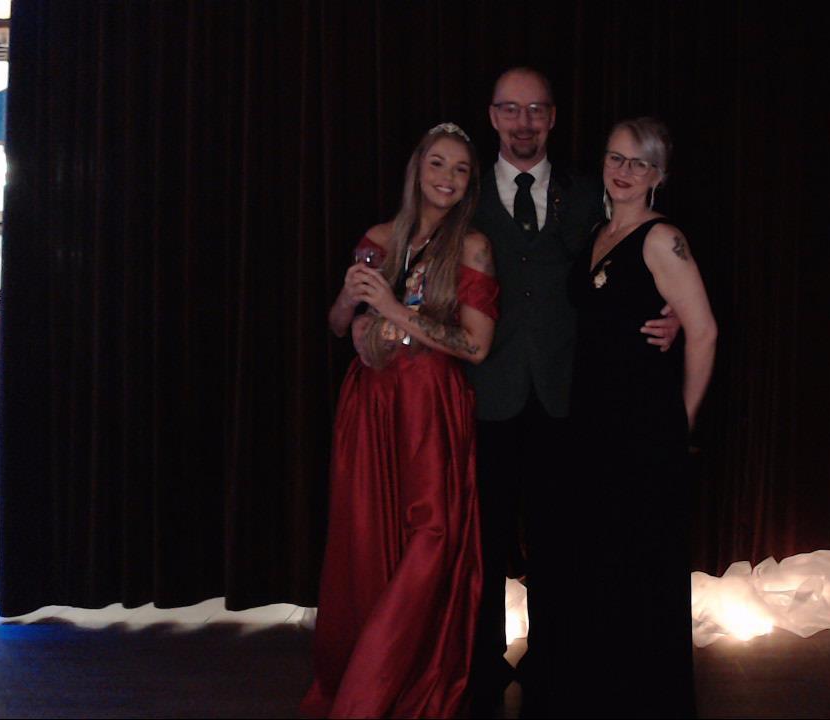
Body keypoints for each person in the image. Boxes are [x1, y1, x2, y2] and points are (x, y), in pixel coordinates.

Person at [461, 67, 681, 700]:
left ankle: (553, 660)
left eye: (536, 109)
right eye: (511, 109)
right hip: (486, 391)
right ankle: (481, 662)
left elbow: (635, 251)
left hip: (567, 395)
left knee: (559, 541)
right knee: (483, 539)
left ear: (553, 117)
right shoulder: (465, 191)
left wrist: (672, 310)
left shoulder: (590, 191)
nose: (523, 122)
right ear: (493, 116)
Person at [301, 122, 499, 719]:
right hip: (372, 404)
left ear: (470, 183)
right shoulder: (379, 238)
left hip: (429, 404)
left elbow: (475, 346)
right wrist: (351, 299)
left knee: (430, 538)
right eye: (438, 163)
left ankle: (381, 686)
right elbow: (339, 324)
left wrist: (392, 309)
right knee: (367, 541)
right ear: (417, 168)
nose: (447, 177)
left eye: (460, 169)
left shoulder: (472, 247)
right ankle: (363, 675)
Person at [535, 117, 717, 717]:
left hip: (643, 430)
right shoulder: (599, 230)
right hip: (592, 425)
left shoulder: (662, 238)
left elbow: (704, 332)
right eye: (616, 158)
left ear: (659, 174)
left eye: (639, 162)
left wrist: (680, 420)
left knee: (640, 568)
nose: (624, 171)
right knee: (599, 565)